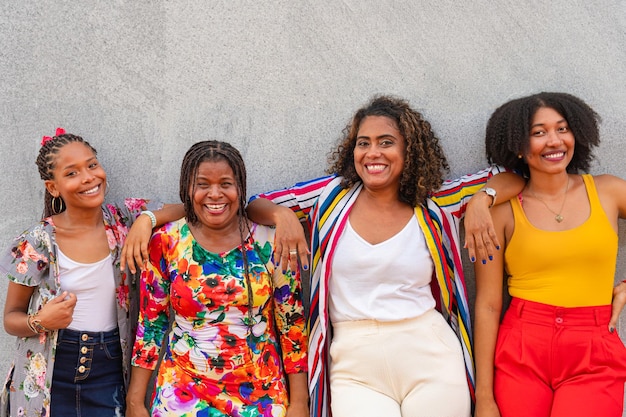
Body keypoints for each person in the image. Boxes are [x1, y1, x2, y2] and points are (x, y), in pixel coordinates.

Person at [246, 95, 525, 417]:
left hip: (430, 355)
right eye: (363, 143)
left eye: (386, 142)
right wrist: (284, 217)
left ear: (409, 150)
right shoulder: (330, 197)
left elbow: (513, 176)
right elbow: (256, 203)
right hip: (354, 364)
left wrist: (480, 201)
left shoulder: (434, 202)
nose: (373, 153)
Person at [0, 128, 184, 417]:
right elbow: (11, 319)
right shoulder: (38, 241)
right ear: (53, 187)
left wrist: (147, 220)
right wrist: (40, 321)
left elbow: (188, 209)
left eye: (92, 165)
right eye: (71, 173)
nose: (88, 177)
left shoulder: (124, 222)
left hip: (108, 368)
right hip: (50, 371)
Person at [126, 140, 309, 417]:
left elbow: (292, 326)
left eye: (226, 183)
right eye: (202, 184)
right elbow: (151, 324)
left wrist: (299, 403)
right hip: (182, 394)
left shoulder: (271, 242)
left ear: (240, 188)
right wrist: (135, 401)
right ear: (188, 188)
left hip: (260, 396)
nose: (215, 194)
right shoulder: (166, 241)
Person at [473, 92, 626, 417]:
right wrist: (484, 398)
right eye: (538, 133)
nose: (554, 141)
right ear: (519, 145)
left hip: (594, 350)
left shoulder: (609, 191)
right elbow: (488, 304)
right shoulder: (501, 211)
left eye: (562, 129)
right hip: (522, 347)